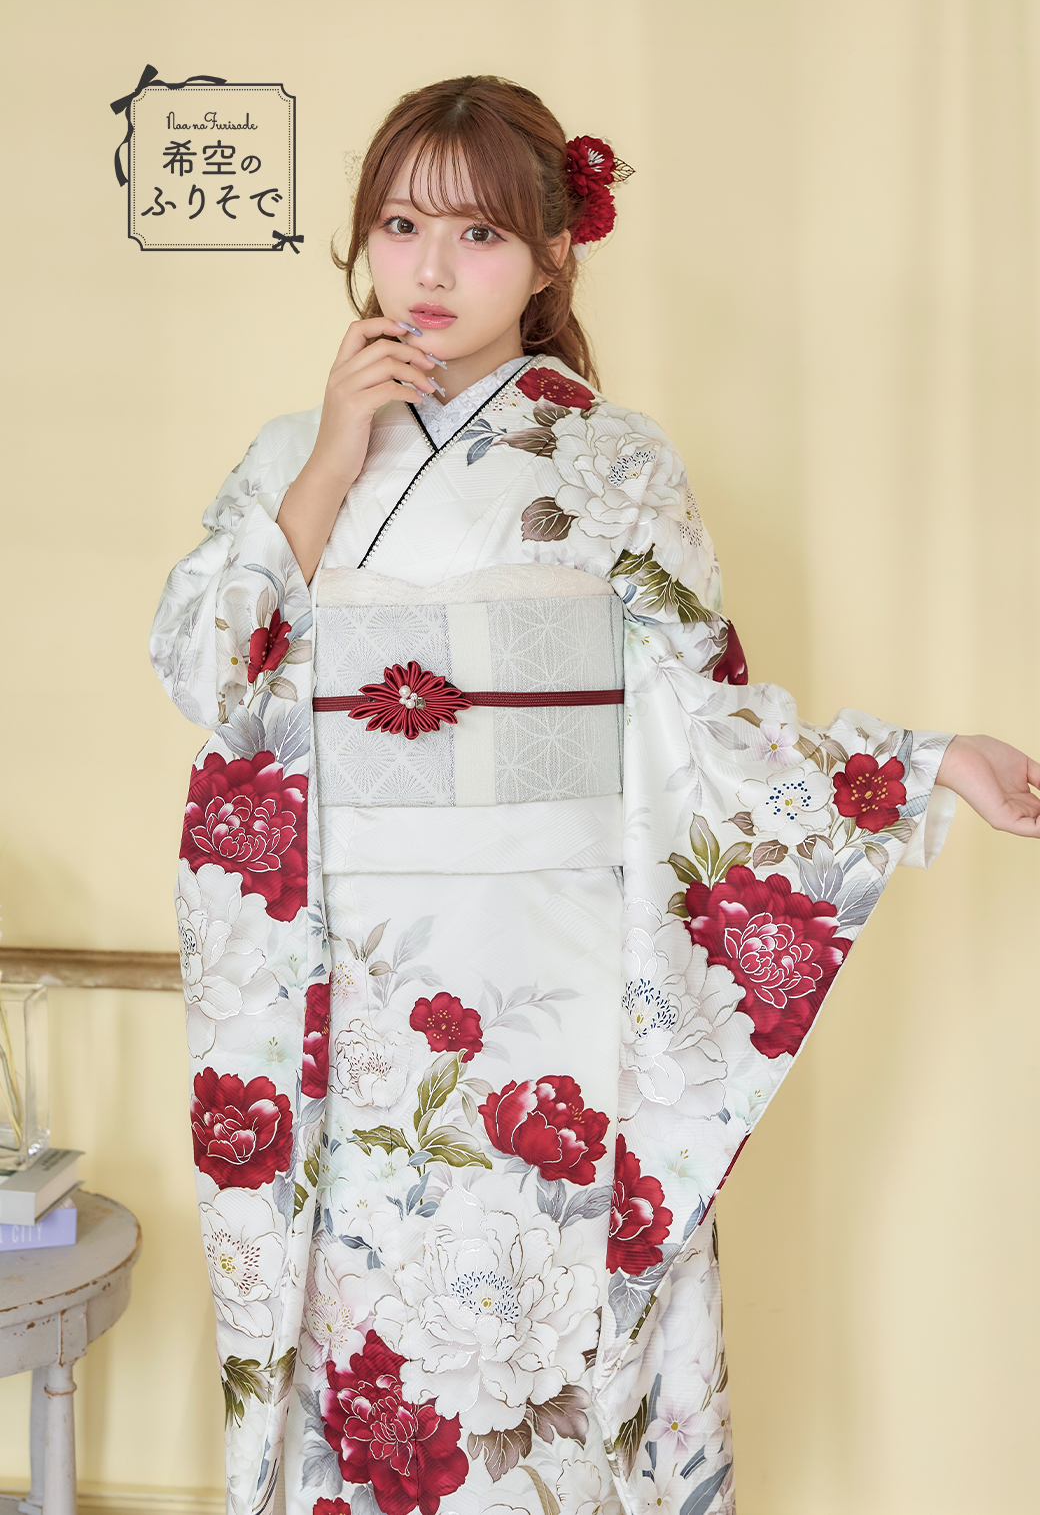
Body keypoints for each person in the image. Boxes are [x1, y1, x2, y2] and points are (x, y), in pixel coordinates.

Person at [150, 75, 1040, 1515]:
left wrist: (928, 760)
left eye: (479, 234)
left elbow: (711, 728)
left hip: (555, 981)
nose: (431, 269)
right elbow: (206, 672)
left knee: (552, 1348)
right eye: (400, 225)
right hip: (350, 987)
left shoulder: (617, 462)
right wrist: (326, 457)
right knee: (367, 1344)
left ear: (554, 254)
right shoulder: (288, 458)